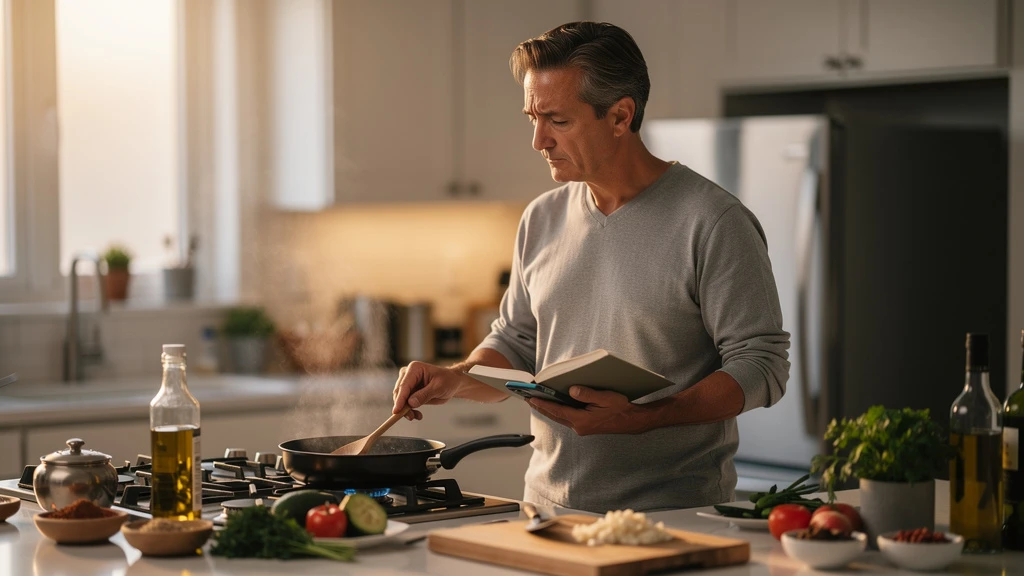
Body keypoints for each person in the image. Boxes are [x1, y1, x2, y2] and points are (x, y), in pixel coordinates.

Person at [392, 21, 790, 512]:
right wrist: (456, 376)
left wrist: (646, 417)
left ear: (621, 116)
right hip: (545, 513)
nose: (539, 140)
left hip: (675, 517)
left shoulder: (713, 221)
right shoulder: (541, 217)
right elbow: (517, 343)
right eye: (532, 118)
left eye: (558, 120)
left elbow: (762, 365)